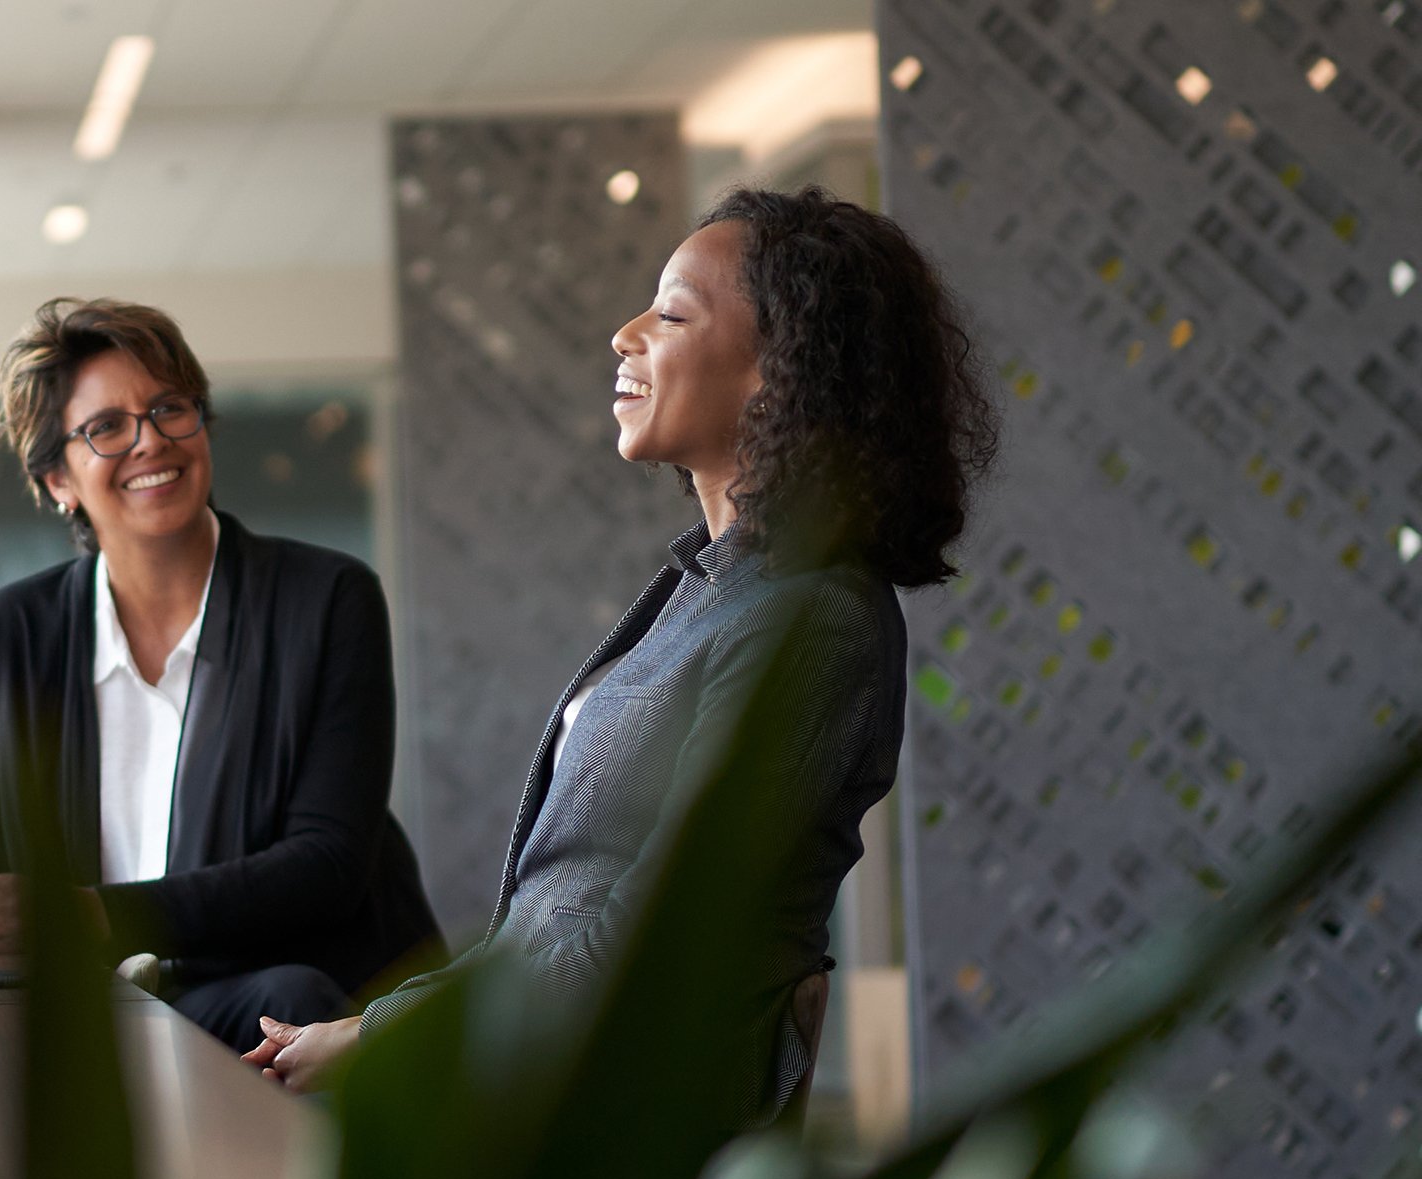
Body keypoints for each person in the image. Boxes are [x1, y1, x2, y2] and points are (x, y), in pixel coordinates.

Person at [245, 187, 998, 1117]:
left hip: (639, 1126)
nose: (624, 334)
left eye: (672, 313)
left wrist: (382, 1033)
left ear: (781, 370)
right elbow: (553, 910)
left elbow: (656, 935)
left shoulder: (812, 619)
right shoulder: (709, 586)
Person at [0, 297, 445, 1053]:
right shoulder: (12, 632)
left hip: (303, 1003)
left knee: (288, 997)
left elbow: (326, 866)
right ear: (58, 477)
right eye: (106, 428)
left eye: (170, 409)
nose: (150, 441)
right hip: (107, 1016)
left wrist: (91, 915)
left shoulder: (325, 599)